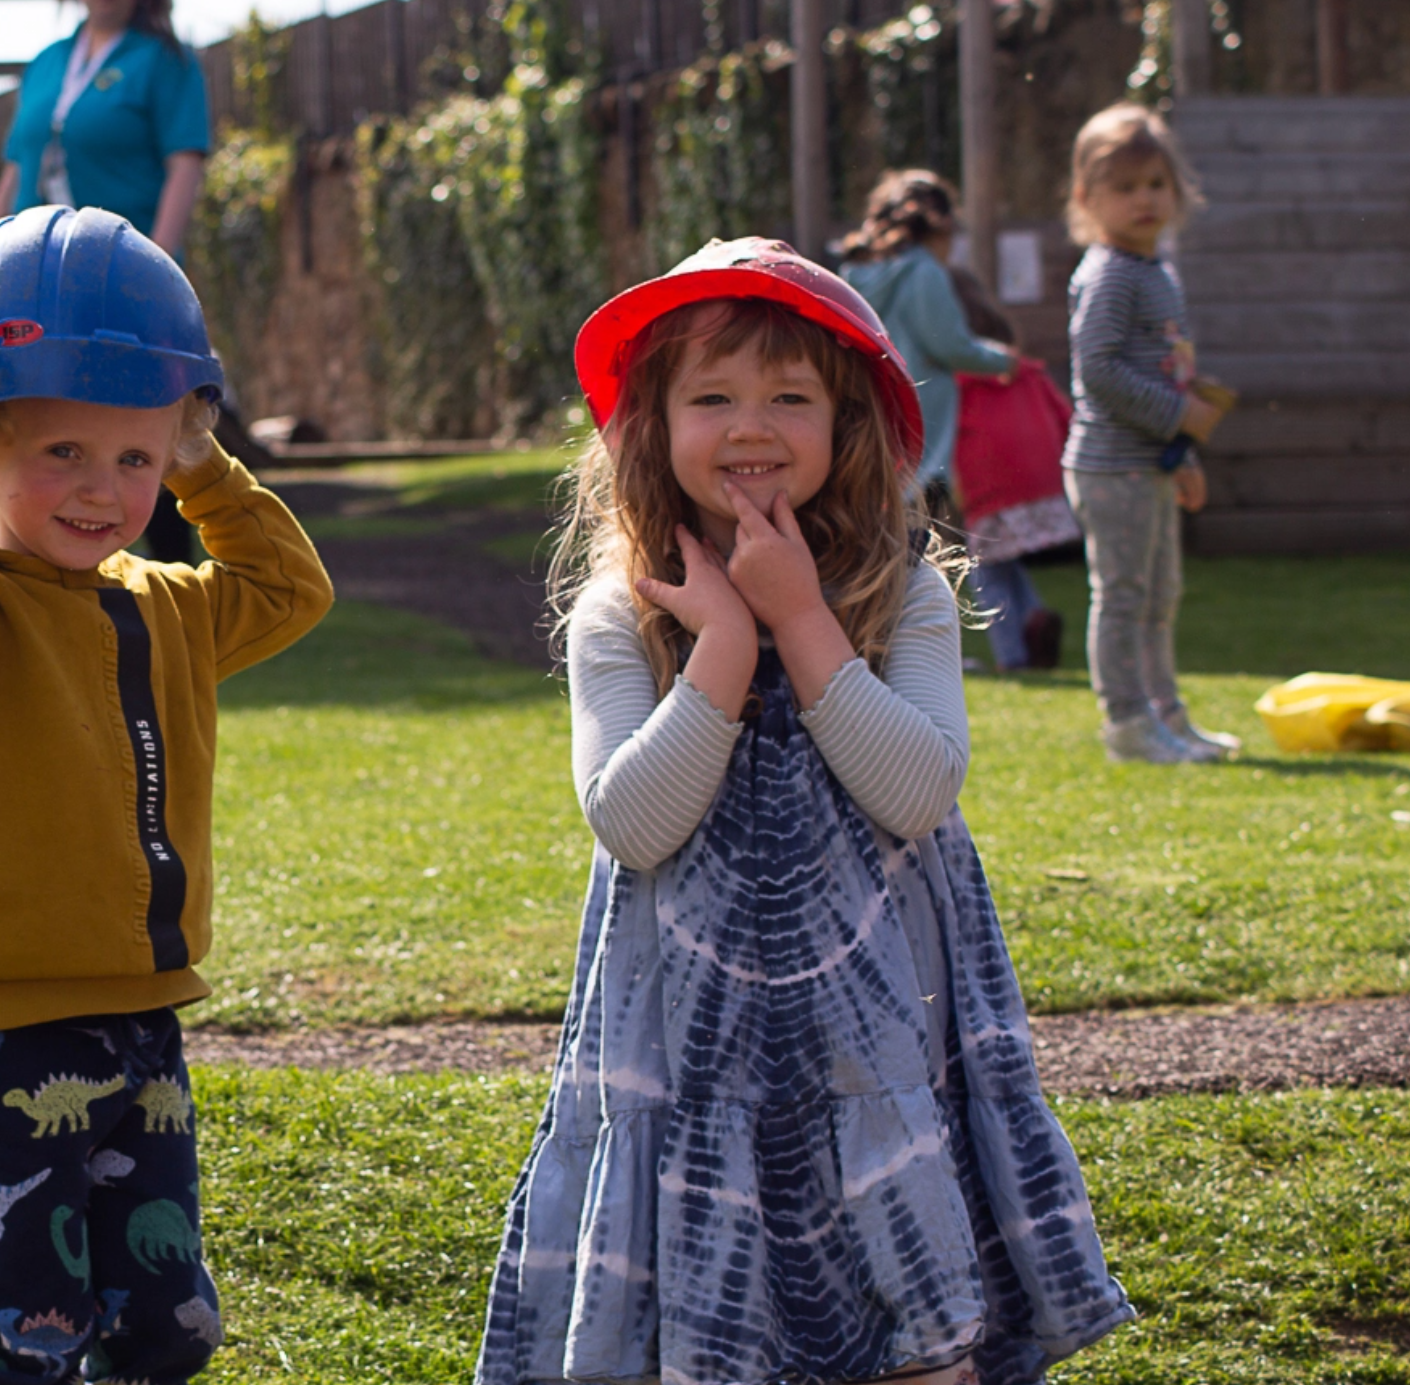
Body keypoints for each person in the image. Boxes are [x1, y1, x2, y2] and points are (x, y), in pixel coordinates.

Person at [476, 239, 1133, 1385]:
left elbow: (917, 786)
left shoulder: (905, 592)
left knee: (914, 1331)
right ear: (651, 422)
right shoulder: (617, 616)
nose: (752, 425)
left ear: (849, 424)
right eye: (712, 396)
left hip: (886, 1039)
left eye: (791, 396)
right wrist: (725, 644)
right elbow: (632, 822)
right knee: (712, 1335)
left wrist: (799, 619)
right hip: (691, 1051)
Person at [0, 205, 332, 1384]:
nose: (100, 487)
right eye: (59, 451)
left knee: (169, 1328)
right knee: (29, 1331)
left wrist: (202, 461)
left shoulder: (163, 602)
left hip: (144, 1015)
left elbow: (289, 587)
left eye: (131, 456)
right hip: (0, 1027)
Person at [0, 0, 219, 565]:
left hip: (123, 283)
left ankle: (175, 584)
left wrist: (158, 268)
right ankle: (7, 586)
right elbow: (19, 167)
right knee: (25, 422)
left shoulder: (164, 60)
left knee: (142, 423)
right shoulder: (48, 60)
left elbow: (184, 163)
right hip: (36, 281)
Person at [1062, 102, 1238, 763]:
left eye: (1156, 185)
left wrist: (1181, 450)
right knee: (1125, 597)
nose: (1145, 200)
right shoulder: (1109, 273)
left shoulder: (1155, 271)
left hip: (1152, 462)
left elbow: (1168, 369)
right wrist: (1177, 417)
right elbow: (1098, 370)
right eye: (1126, 187)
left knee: (1160, 597)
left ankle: (1166, 714)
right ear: (1087, 197)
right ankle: (1128, 723)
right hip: (1111, 467)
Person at [840, 170, 1018, 511]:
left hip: (874, 426)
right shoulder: (924, 272)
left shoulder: (857, 273)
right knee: (929, 540)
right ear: (942, 226)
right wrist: (1002, 360)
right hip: (922, 429)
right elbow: (949, 345)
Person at [947, 266, 1078, 671]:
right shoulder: (1028, 372)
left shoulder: (957, 382)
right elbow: (1066, 417)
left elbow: (946, 433)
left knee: (986, 570)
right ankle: (1034, 619)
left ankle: (1013, 655)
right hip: (1040, 484)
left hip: (991, 490)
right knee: (1004, 561)